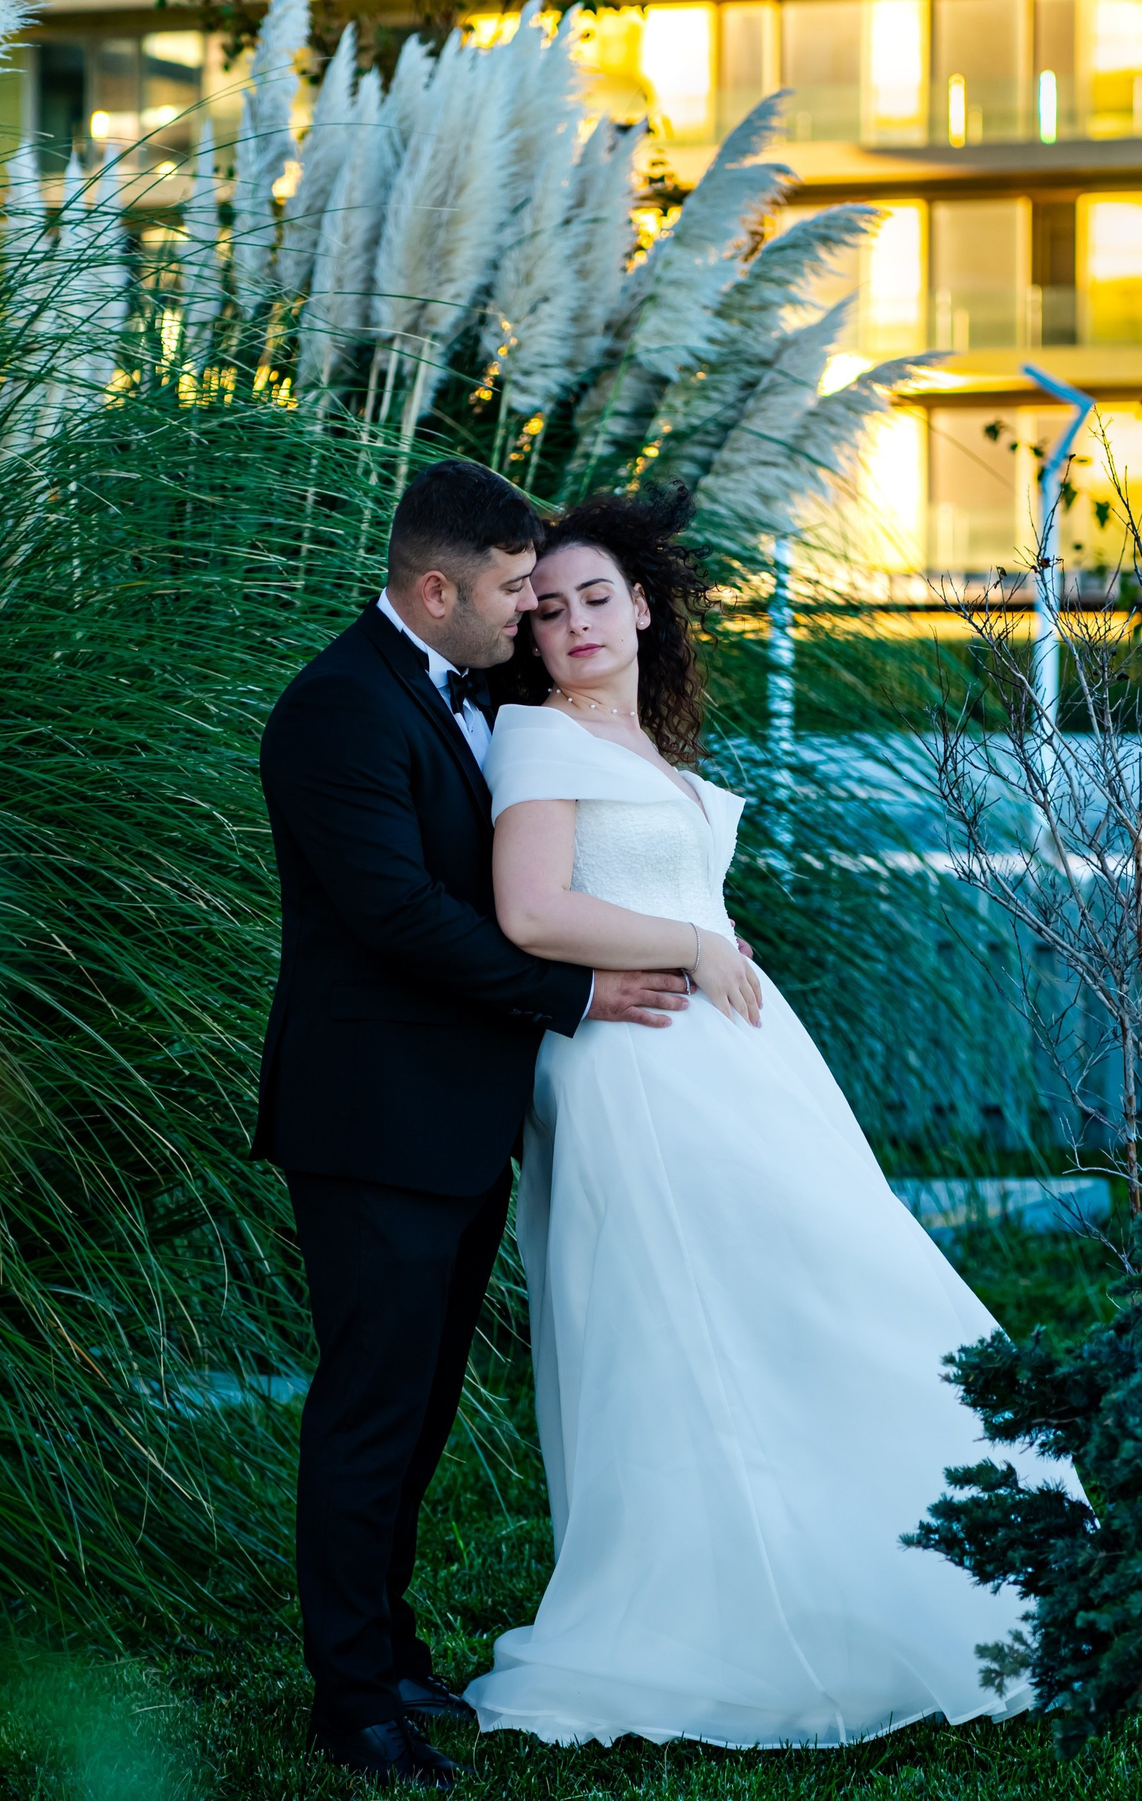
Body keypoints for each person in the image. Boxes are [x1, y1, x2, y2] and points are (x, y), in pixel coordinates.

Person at [461, 486, 1083, 1749]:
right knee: (689, 1325)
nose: (575, 624)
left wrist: (706, 940)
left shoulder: (646, 749)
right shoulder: (536, 741)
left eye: (597, 598)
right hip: (637, 1073)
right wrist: (693, 943)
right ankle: (727, 1609)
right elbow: (529, 911)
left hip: (732, 1066)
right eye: (549, 609)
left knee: (821, 1291)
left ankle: (884, 1563)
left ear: (643, 607)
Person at [251, 461, 695, 1789]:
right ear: (436, 589)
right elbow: (396, 916)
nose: (530, 609)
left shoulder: (474, 689)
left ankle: (390, 1651)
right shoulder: (335, 709)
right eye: (512, 589)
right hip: (372, 1119)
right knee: (370, 1407)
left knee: (422, 1401)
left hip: (458, 1117)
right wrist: (579, 992)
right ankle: (352, 1704)